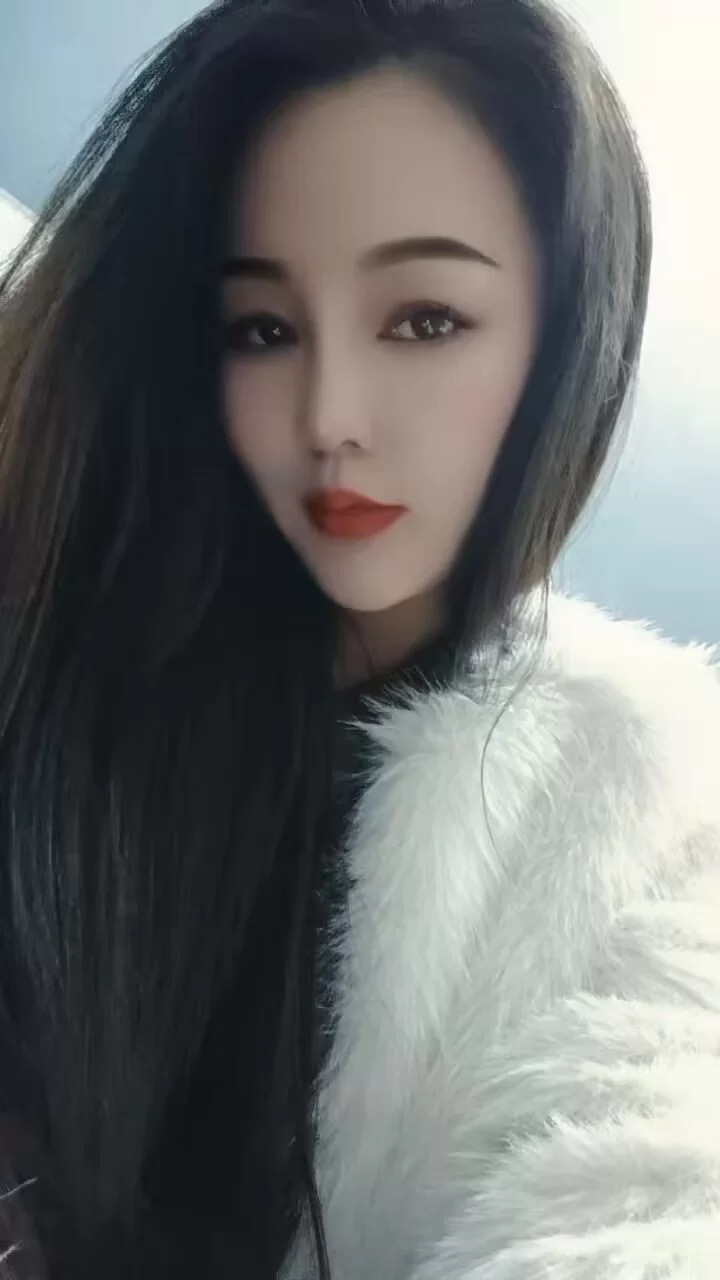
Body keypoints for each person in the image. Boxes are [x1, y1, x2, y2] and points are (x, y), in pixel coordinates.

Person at [1, 0, 719, 1275]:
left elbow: (655, 1175)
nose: (328, 414)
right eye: (263, 329)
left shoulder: (649, 796)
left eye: (424, 319)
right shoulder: (74, 659)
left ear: (567, 339)